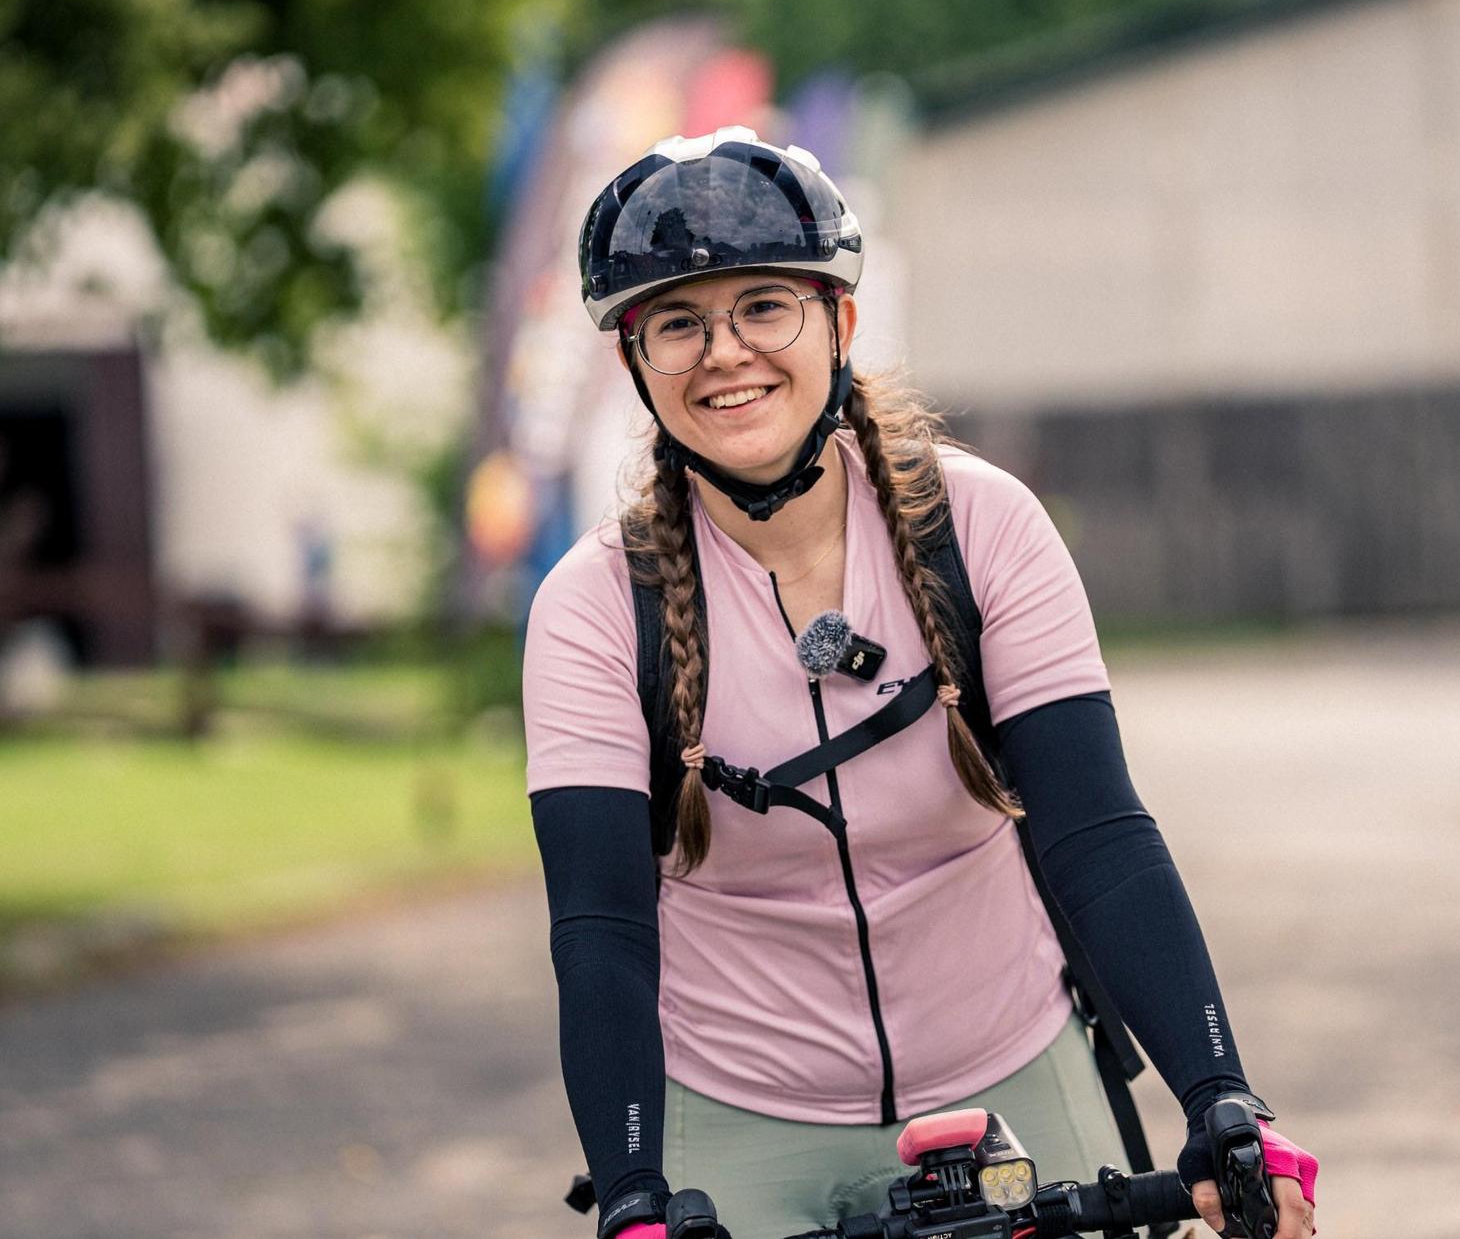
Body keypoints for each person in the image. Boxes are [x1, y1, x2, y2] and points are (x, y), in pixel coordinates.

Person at [524, 128, 1319, 1239]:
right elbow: (602, 925)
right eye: (678, 323)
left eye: (764, 306)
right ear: (635, 364)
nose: (724, 353)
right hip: (741, 1105)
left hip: (1008, 1067)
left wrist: (1221, 1096)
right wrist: (630, 1195)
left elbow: (1096, 835)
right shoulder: (595, 607)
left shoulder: (982, 526)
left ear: (839, 324)